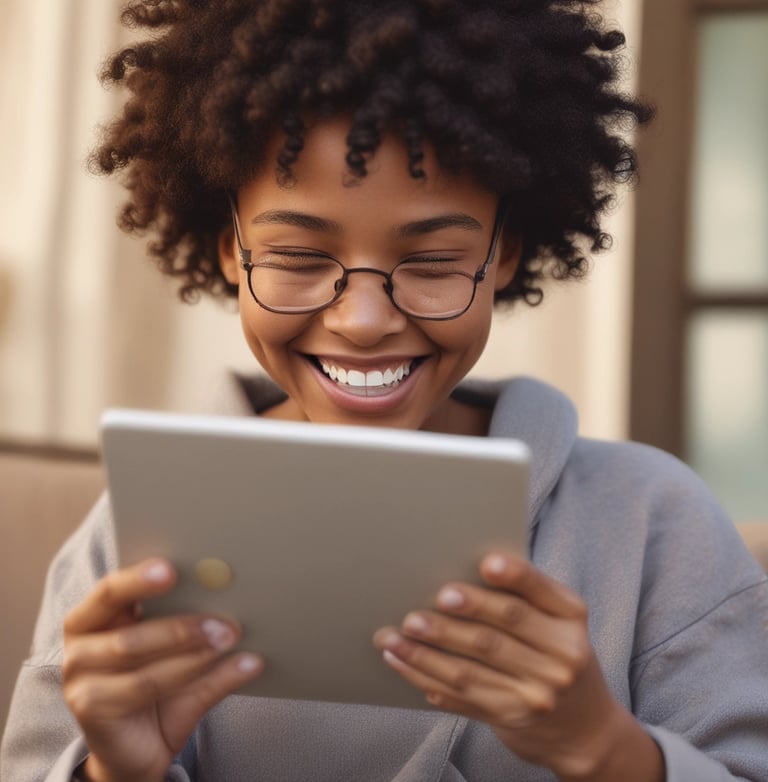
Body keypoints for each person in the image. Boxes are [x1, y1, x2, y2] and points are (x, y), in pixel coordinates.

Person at [2, 1, 767, 780]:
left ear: (503, 255)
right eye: (299, 257)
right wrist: (114, 771)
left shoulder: (653, 524)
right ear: (233, 250)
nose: (363, 322)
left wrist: (605, 748)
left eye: (433, 264)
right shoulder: (135, 538)